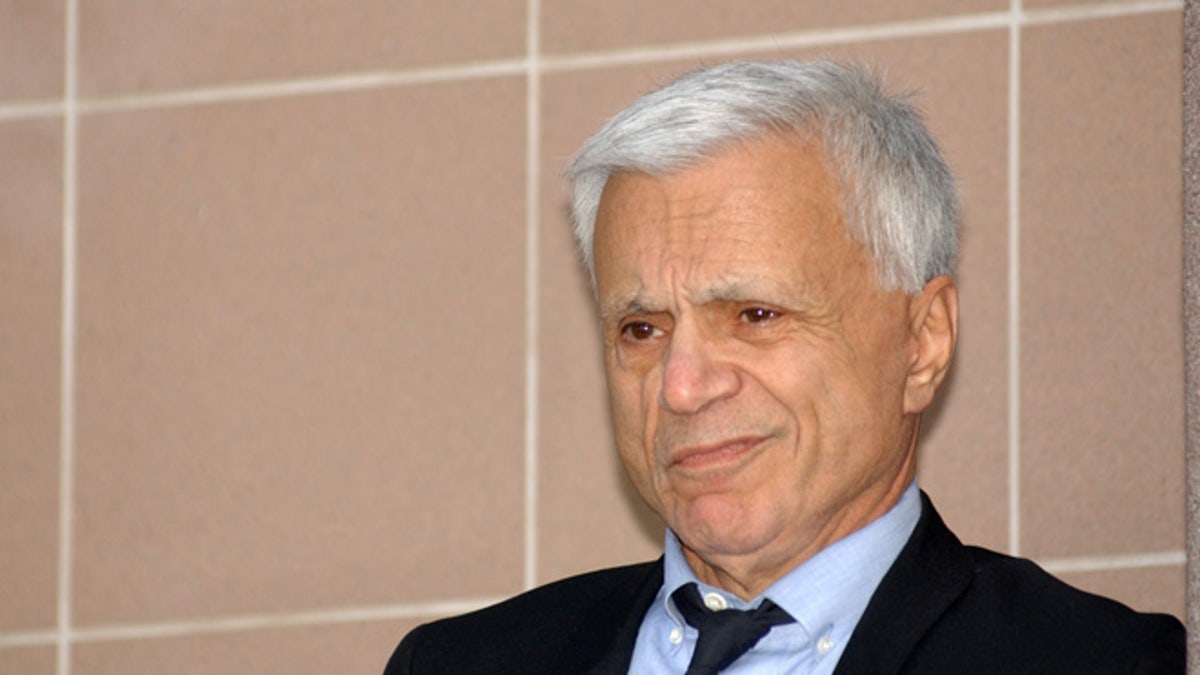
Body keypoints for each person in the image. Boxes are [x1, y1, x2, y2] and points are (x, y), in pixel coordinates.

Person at [384, 60, 1185, 674]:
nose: (682, 386)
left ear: (923, 342)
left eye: (756, 316)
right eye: (641, 328)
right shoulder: (459, 663)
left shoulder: (1086, 659)